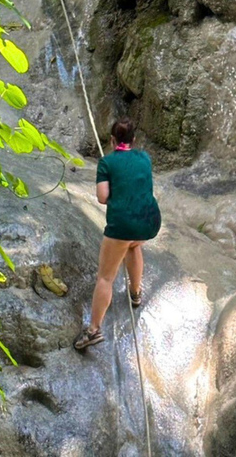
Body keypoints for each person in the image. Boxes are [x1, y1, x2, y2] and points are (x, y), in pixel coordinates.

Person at [73, 118, 162, 350]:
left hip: (123, 225)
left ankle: (93, 330)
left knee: (106, 277)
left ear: (112, 140)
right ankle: (135, 293)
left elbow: (102, 197)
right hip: (150, 221)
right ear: (133, 140)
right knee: (133, 246)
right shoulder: (144, 158)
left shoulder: (107, 162)